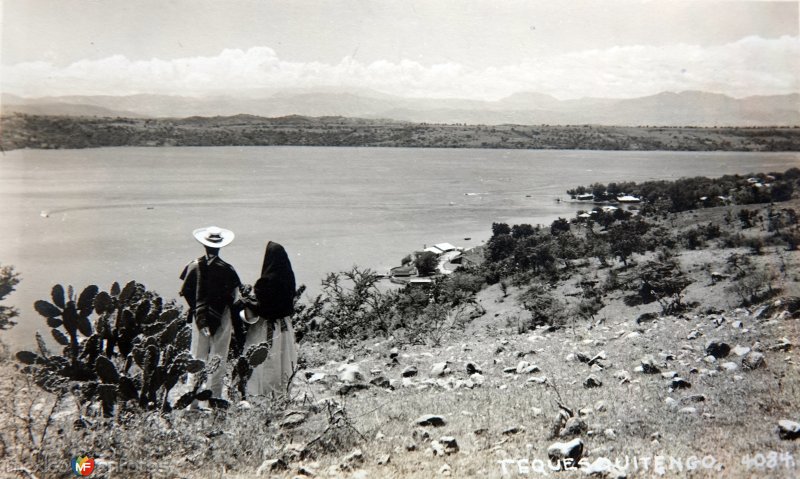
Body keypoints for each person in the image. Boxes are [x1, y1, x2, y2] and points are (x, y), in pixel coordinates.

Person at [179, 226, 241, 400]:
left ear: (204, 245)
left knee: (196, 358)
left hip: (199, 319)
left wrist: (198, 309)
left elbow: (186, 291)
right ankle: (213, 398)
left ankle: (192, 399)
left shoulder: (193, 266)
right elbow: (235, 297)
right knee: (218, 357)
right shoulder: (228, 269)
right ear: (220, 246)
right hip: (222, 317)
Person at [238, 241, 298, 397]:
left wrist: (245, 301)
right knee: (282, 361)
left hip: (266, 329)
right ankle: (281, 393)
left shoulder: (265, 283)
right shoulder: (288, 279)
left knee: (267, 362)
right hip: (284, 326)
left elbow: (263, 308)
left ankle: (261, 394)